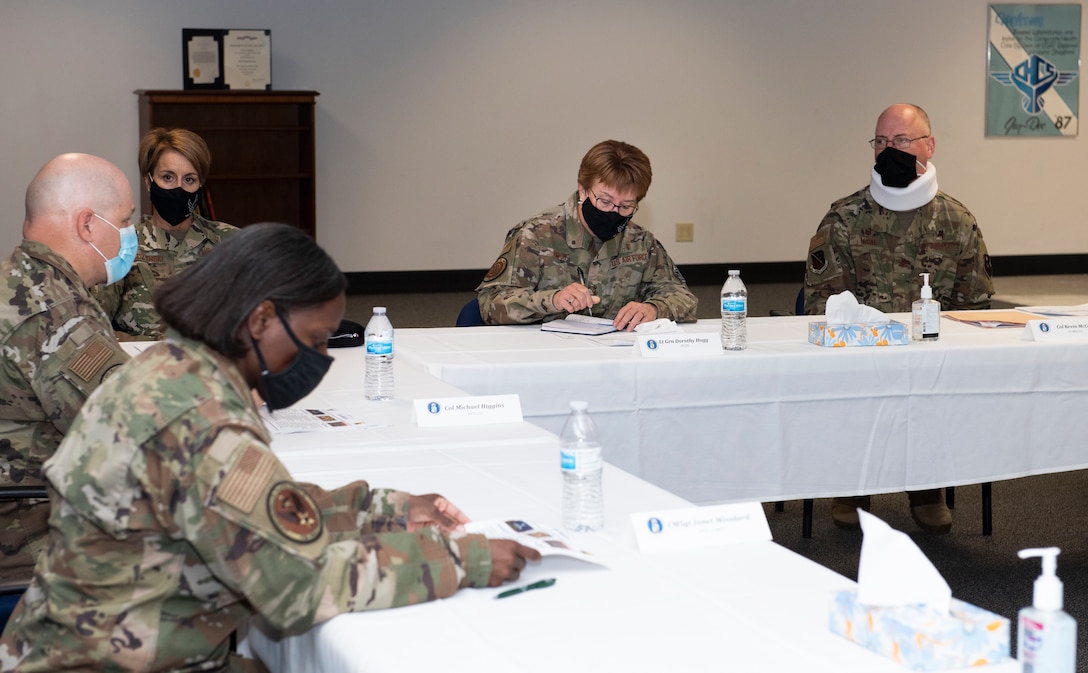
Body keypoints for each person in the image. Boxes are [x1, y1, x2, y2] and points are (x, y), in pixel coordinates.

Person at [0, 223, 540, 672]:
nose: (320, 359)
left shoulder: (170, 368)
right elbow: (298, 590)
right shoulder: (205, 420)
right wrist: (463, 560)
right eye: (315, 341)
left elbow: (238, 508)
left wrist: (377, 510)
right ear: (259, 320)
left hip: (85, 644)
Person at [803, 103, 994, 534]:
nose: (890, 149)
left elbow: (978, 310)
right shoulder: (843, 219)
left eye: (901, 141)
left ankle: (927, 487)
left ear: (929, 145)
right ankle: (851, 483)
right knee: (849, 384)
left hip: (931, 361)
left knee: (935, 386)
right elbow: (823, 303)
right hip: (861, 357)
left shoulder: (958, 221)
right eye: (882, 142)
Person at [0, 153, 134, 585]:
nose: (133, 236)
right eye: (127, 221)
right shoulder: (55, 312)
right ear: (88, 225)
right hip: (31, 536)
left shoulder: (16, 279)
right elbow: (139, 429)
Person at [477, 139, 697, 331]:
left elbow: (683, 297)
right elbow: (490, 304)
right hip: (547, 354)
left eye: (626, 206)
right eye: (605, 201)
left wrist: (653, 309)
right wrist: (551, 300)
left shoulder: (640, 242)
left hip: (616, 356)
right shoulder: (537, 235)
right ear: (583, 190)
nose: (614, 212)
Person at [94, 127, 239, 340]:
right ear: (148, 181)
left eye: (189, 180)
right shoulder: (121, 245)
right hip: (143, 365)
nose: (178, 188)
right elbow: (94, 328)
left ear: (201, 185)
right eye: (168, 177)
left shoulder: (231, 242)